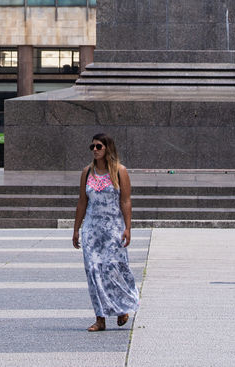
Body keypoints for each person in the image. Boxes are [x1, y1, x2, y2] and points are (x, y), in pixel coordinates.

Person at [72, 133, 139, 331]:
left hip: (113, 230)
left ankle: (122, 308)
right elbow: (82, 202)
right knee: (93, 271)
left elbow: (125, 201)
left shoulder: (120, 171)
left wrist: (127, 227)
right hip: (92, 230)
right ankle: (100, 318)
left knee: (113, 270)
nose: (94, 149)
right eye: (92, 146)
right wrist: (76, 229)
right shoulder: (87, 172)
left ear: (107, 148)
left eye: (98, 146)